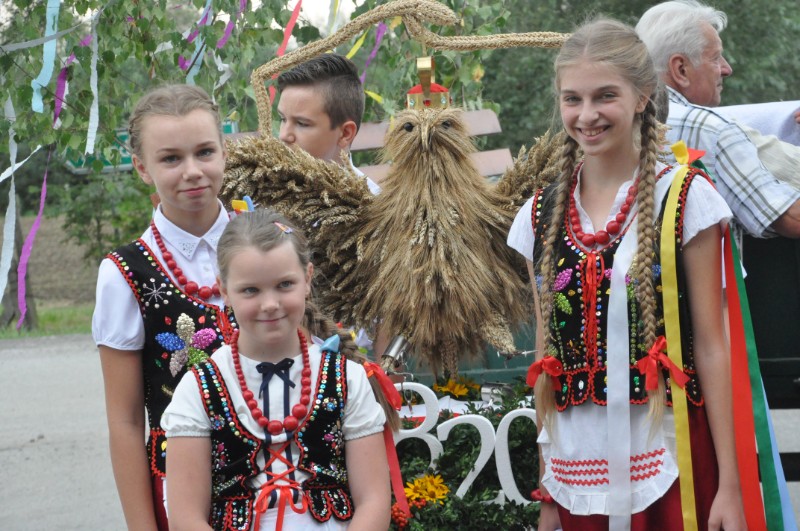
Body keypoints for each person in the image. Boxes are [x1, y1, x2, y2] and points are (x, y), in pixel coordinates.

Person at [508, 19, 746, 530]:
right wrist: (549, 486)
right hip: (578, 465)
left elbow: (711, 346)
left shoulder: (684, 198)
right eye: (572, 99)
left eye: (604, 96)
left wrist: (731, 484)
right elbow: (546, 357)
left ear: (642, 97)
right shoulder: (539, 216)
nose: (587, 115)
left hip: (669, 455)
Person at [162, 209, 394, 530]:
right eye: (250, 290)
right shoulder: (199, 388)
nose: (270, 304)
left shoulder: (346, 379)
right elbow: (186, 518)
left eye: (284, 284)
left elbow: (374, 500)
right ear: (224, 291)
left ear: (308, 279)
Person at [93, 84, 234, 530]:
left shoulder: (270, 241)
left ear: (224, 152)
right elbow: (126, 419)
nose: (192, 171)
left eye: (205, 152)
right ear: (142, 168)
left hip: (286, 480)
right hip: (183, 492)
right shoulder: (125, 273)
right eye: (171, 159)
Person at [636, 0, 800, 239]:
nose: (727, 69)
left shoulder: (615, 122)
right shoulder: (711, 130)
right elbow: (791, 218)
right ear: (681, 69)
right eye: (715, 58)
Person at [276, 53, 382, 196]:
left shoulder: (371, 211)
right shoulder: (263, 192)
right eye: (283, 119)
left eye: (302, 123)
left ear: (345, 133)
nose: (283, 135)